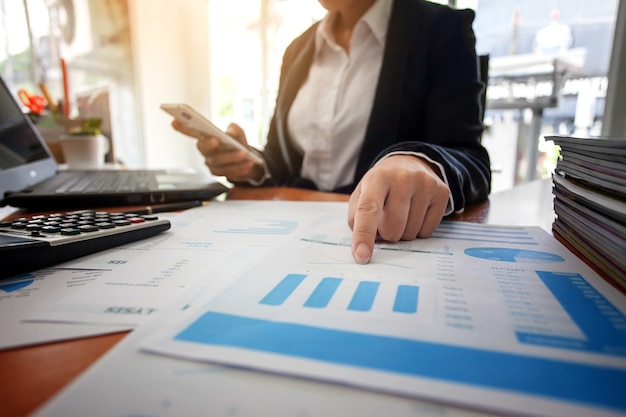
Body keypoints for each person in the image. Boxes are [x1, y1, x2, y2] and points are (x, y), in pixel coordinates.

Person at [172, 0, 491, 265]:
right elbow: (282, 162)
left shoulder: (441, 28)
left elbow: (469, 156)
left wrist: (420, 162)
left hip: (385, 244)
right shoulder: (297, 49)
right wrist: (252, 165)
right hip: (291, 240)